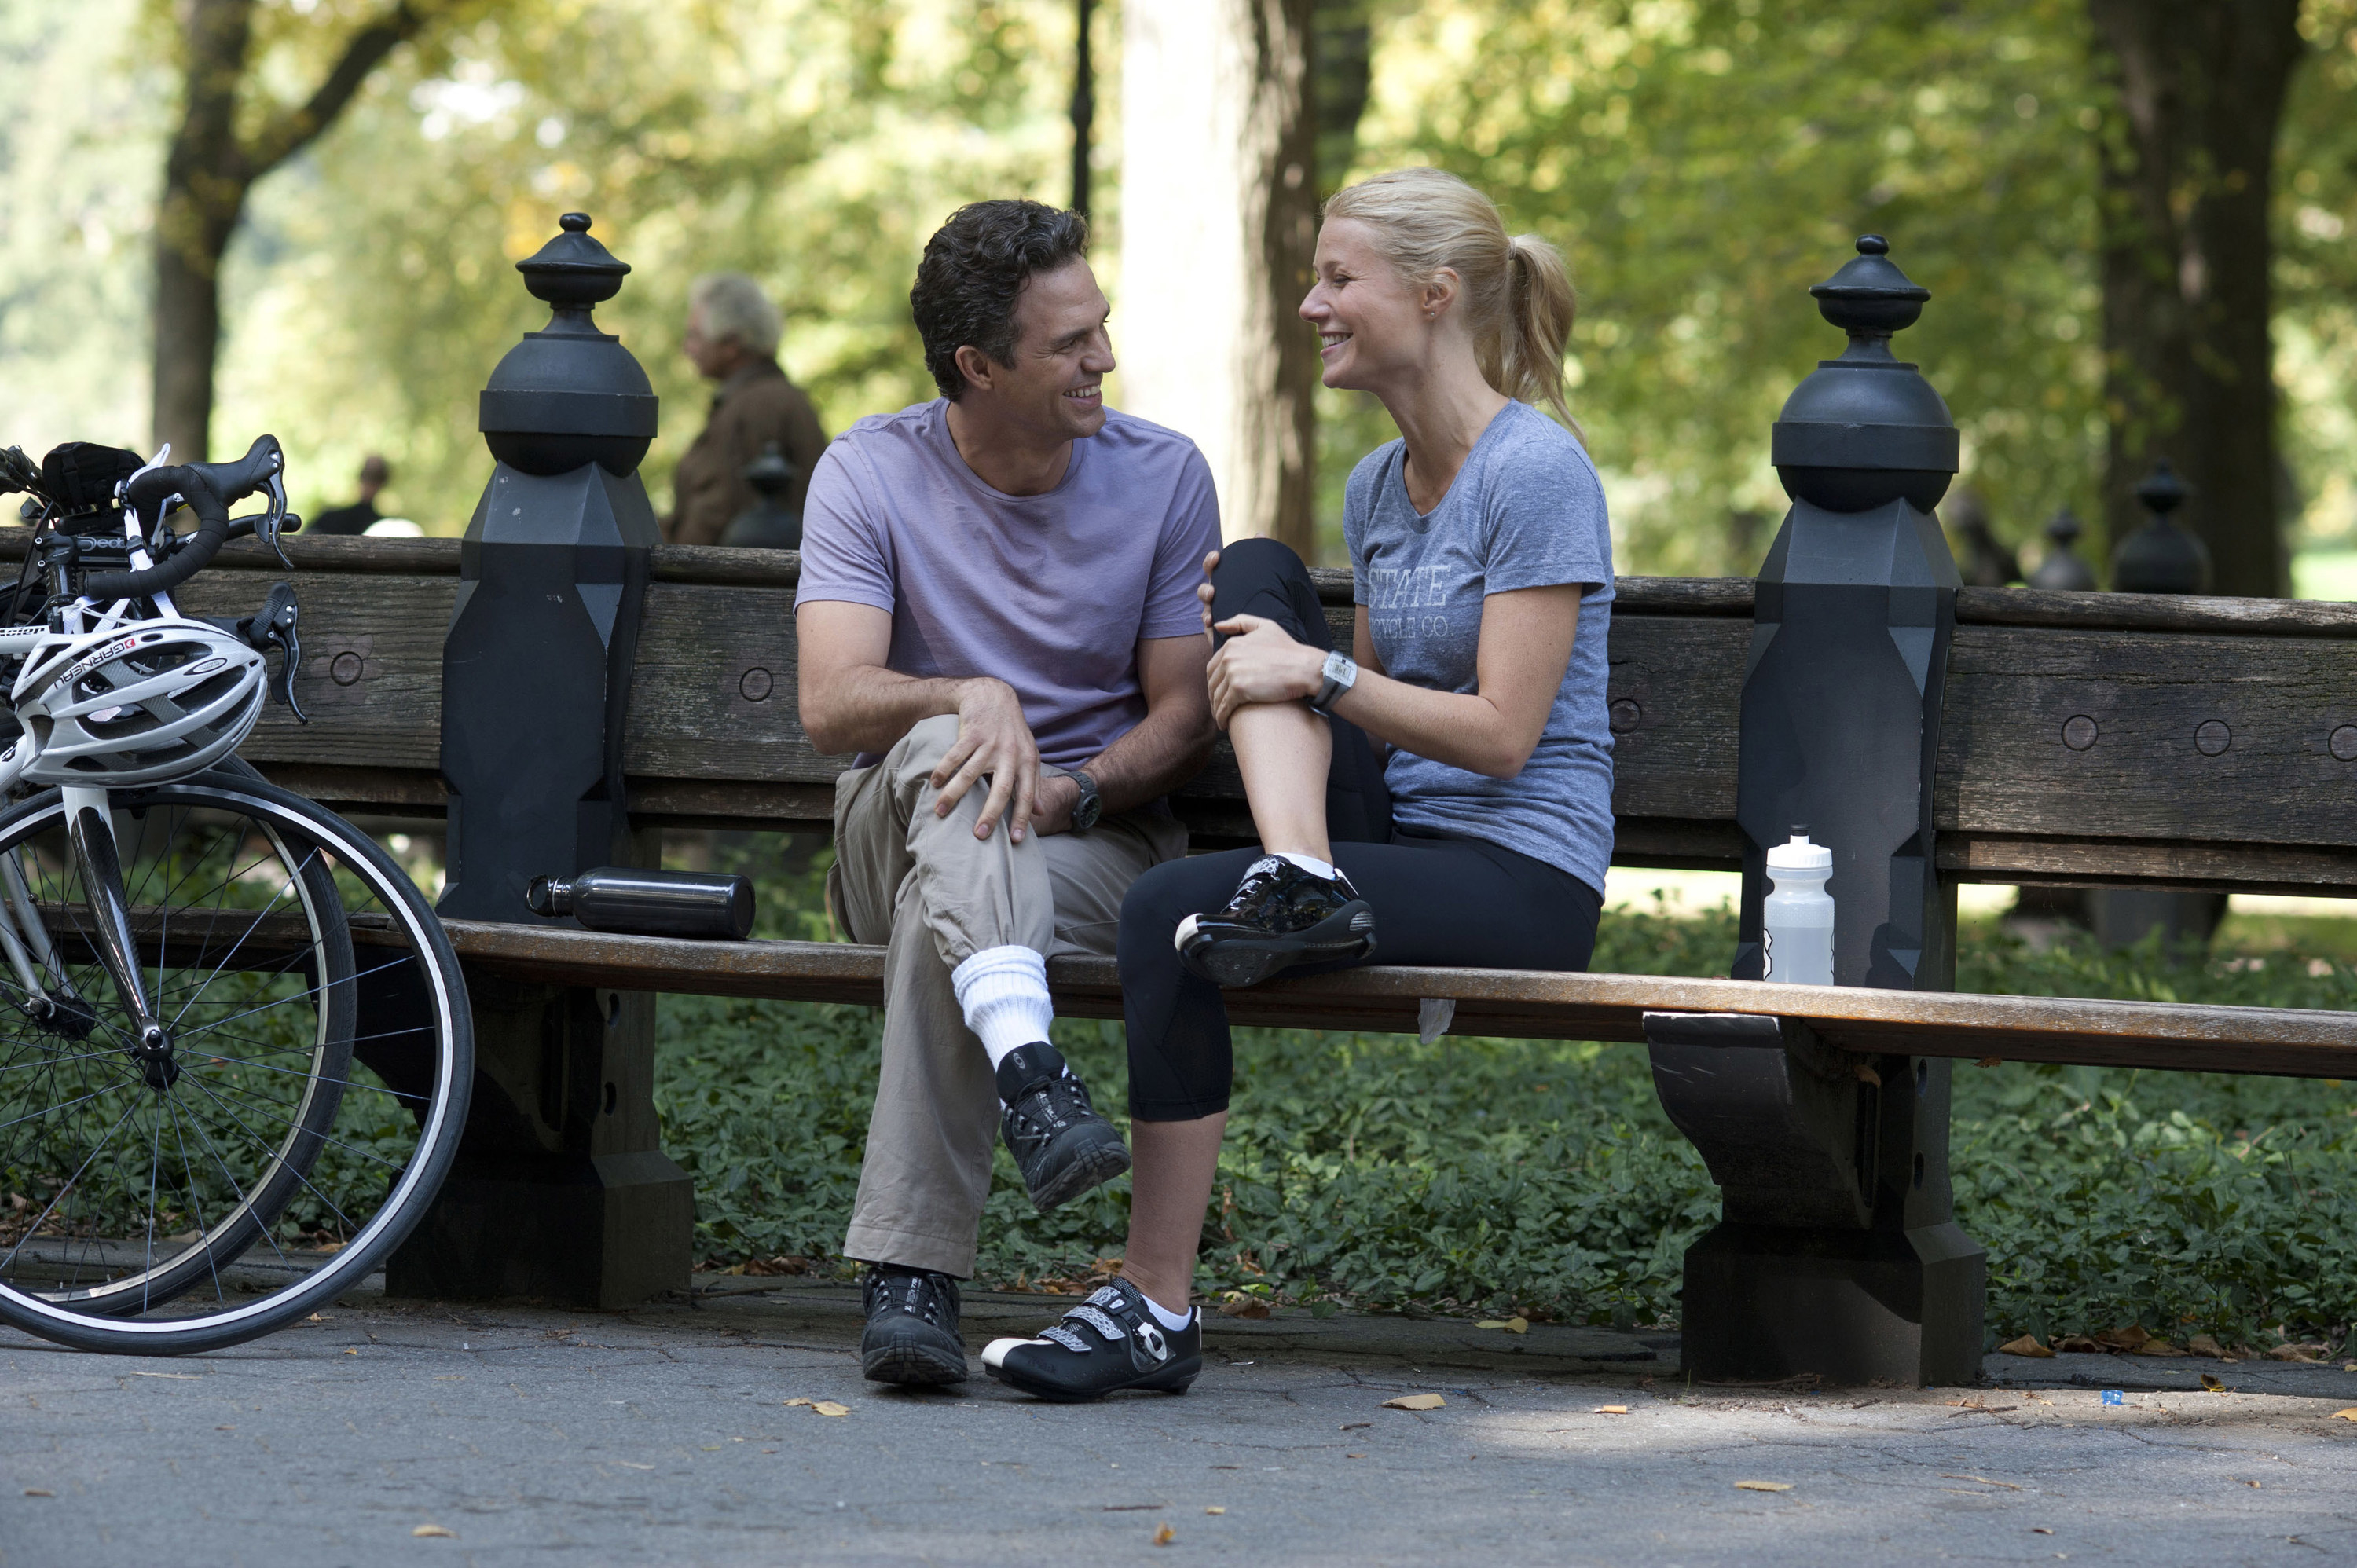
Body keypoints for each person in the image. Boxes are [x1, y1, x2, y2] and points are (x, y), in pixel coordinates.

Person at [981, 167, 1615, 1401]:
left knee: (1164, 916)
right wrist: (1274, 671)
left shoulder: (1535, 474)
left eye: (1339, 278)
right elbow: (1369, 720)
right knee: (1261, 564)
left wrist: (1305, 672)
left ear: (1433, 296)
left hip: (1519, 870)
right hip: (1395, 826)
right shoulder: (1380, 485)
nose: (1312, 303)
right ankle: (1300, 870)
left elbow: (1496, 737)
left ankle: (1156, 1310)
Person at [794, 200, 1220, 1387]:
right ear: (978, 365)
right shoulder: (868, 471)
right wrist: (967, 697)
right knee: (946, 761)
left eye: (1103, 327)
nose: (1105, 360)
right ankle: (1030, 1072)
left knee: (963, 877)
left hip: (1086, 843)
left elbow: (1184, 713)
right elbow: (831, 705)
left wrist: (1074, 791)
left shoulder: (1165, 478)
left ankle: (913, 1277)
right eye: (1070, 344)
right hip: (895, 837)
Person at [666, 273, 830, 545]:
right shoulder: (785, 398)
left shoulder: (751, 408)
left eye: (695, 336)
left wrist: (668, 570)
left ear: (731, 344)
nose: (688, 348)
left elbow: (713, 515)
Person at [308, 454, 390, 536]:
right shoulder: (329, 519)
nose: (370, 484)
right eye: (368, 476)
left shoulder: (385, 527)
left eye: (375, 478)